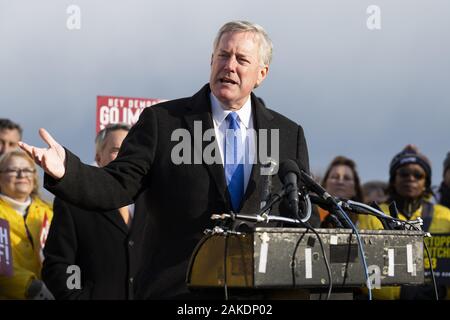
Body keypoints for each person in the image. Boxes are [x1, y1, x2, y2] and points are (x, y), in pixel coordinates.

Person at [19, 21, 310, 299]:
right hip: (179, 290)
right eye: (223, 55)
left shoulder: (286, 134)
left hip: (256, 295)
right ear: (211, 60)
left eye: (241, 59)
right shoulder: (164, 123)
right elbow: (117, 184)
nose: (229, 66)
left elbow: (298, 219)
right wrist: (67, 170)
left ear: (261, 74)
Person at [42, 124, 150, 299]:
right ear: (99, 157)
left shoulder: (153, 201)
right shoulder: (72, 202)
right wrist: (77, 296)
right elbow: (60, 264)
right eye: (116, 150)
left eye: (130, 150)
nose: (124, 156)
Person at [359, 145, 450, 299]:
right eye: (404, 173)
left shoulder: (447, 217)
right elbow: (362, 270)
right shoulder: (371, 216)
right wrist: (400, 292)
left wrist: (443, 291)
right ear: (393, 179)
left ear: (426, 183)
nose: (411, 178)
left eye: (418, 175)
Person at [0, 150, 54, 299]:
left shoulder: (50, 213)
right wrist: (30, 287)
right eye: (13, 170)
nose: (21, 175)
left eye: (27, 170)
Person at [318, 156, 364, 225]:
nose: (340, 182)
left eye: (346, 178)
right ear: (324, 185)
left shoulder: (365, 218)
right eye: (335, 177)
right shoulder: (312, 213)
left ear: (355, 189)